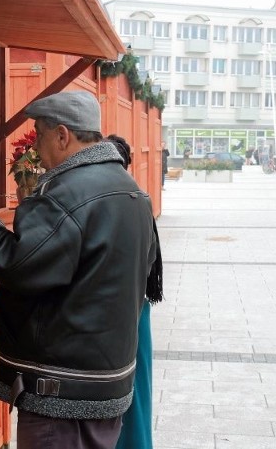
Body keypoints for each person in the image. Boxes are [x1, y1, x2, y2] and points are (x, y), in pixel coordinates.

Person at [0, 91, 159, 449]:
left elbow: (20, 264)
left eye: (39, 135)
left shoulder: (64, 193)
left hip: (63, 392)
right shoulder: (131, 190)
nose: (37, 149)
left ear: (62, 135)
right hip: (106, 384)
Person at [105, 135, 163, 449]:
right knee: (137, 393)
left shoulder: (118, 200)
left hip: (121, 313)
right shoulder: (139, 198)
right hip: (137, 309)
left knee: (128, 393)